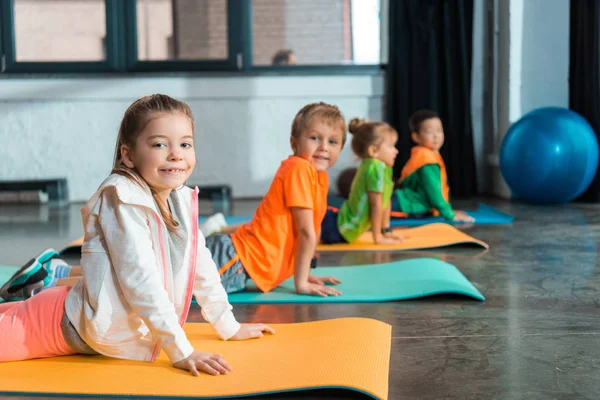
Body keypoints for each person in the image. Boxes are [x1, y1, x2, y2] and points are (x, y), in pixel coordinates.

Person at [0, 94, 273, 375]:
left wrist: (228, 325)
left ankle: (29, 287)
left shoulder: (179, 197)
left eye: (185, 144)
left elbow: (200, 266)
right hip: (60, 324)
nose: (176, 153)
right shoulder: (122, 199)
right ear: (128, 155)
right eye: (159, 144)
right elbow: (140, 279)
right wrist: (181, 351)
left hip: (92, 320)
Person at [200, 102, 346, 297]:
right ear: (295, 144)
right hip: (233, 259)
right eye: (314, 138)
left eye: (333, 142)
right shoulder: (299, 168)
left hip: (237, 261)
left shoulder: (319, 176)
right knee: (166, 291)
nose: (324, 148)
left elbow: (306, 231)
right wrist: (301, 283)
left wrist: (303, 273)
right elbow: (306, 232)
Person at [320, 118, 403, 245]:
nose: (396, 151)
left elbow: (386, 201)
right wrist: (378, 237)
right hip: (336, 229)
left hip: (338, 225)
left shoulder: (384, 167)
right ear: (374, 151)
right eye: (391, 146)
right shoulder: (375, 167)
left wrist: (386, 231)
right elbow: (375, 205)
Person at [393, 110, 475, 223]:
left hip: (404, 201)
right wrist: (450, 214)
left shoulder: (423, 153)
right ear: (416, 137)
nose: (436, 136)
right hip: (408, 205)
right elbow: (434, 192)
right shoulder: (427, 160)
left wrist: (448, 209)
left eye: (439, 130)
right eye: (429, 132)